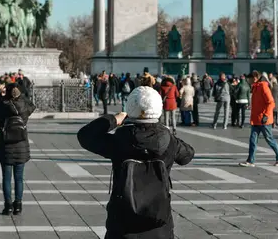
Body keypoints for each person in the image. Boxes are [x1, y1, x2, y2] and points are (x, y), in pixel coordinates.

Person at [77, 86, 195, 238]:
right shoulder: (169, 141)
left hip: (122, 222)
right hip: (158, 224)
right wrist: (167, 133)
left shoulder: (119, 140)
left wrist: (114, 119)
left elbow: (85, 136)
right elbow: (188, 155)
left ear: (130, 108)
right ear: (158, 109)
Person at [0, 82, 36, 215]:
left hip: (6, 145)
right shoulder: (25, 106)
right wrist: (21, 95)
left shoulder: (3, 105)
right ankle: (18, 205)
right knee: (19, 178)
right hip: (21, 145)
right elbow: (32, 105)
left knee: (6, 178)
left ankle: (8, 206)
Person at [239, 71, 278, 167]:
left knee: (269, 139)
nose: (248, 80)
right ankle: (250, 160)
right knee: (253, 140)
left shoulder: (263, 86)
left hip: (264, 119)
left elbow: (271, 102)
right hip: (256, 119)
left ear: (255, 77)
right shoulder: (255, 87)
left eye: (249, 78)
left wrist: (266, 115)